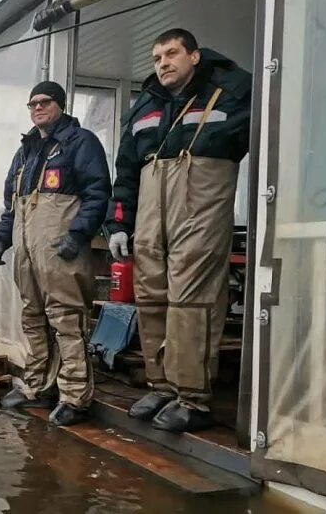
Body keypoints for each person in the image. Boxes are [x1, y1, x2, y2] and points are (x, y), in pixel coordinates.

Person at [104, 29, 251, 432]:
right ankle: (163, 386)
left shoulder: (232, 93)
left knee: (191, 302)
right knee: (151, 300)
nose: (163, 63)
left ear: (195, 57)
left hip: (199, 212)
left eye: (172, 53)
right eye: (156, 57)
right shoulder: (146, 106)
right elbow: (127, 170)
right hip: (152, 215)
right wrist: (118, 222)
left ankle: (194, 398)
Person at [0, 81, 111, 427]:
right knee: (33, 318)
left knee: (67, 320)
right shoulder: (25, 153)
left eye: (44, 102)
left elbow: (98, 192)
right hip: (28, 252)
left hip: (61, 250)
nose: (37, 108)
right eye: (32, 104)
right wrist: (1, 239)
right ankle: (37, 386)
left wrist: (78, 234)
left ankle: (75, 396)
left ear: (59, 105)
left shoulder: (80, 142)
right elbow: (11, 205)